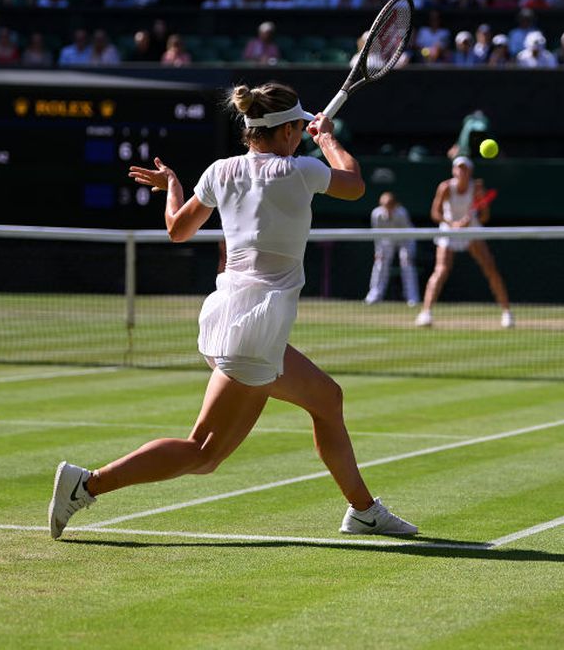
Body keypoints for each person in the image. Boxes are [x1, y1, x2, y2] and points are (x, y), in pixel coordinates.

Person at [49, 82, 417, 539]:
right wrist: (326, 139)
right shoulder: (300, 170)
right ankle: (85, 484)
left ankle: (362, 510)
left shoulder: (220, 171)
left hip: (234, 316)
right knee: (203, 451)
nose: (302, 133)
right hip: (253, 330)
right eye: (298, 128)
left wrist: (173, 186)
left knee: (327, 399)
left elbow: (177, 229)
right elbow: (354, 184)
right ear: (285, 133)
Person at [415, 156, 513, 329]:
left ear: (470, 172)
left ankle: (507, 313)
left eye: (465, 168)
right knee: (441, 270)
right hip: (448, 229)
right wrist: (452, 223)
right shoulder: (445, 187)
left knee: (490, 268)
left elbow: (484, 217)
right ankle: (426, 313)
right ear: (454, 171)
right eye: (458, 168)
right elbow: (435, 213)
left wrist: (476, 210)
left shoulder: (476, 188)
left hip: (471, 230)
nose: (461, 171)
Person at [364, 191, 419, 307]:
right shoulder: (376, 214)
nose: (387, 209)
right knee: (380, 263)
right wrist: (378, 251)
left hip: (405, 239)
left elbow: (407, 234)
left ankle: (412, 297)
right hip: (387, 239)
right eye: (385, 206)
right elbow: (377, 234)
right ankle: (374, 296)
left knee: (407, 264)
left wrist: (408, 253)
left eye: (390, 205)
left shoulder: (402, 213)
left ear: (395, 205)